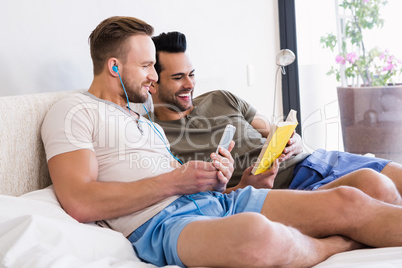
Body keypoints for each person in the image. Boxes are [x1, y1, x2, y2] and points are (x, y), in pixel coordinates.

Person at [41, 16, 402, 268]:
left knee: (350, 199)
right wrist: (176, 180)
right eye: (148, 67)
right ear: (115, 67)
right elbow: (79, 202)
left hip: (218, 202)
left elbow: (183, 186)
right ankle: (343, 243)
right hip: (166, 225)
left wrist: (230, 183)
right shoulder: (74, 110)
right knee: (258, 237)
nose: (153, 78)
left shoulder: (139, 119)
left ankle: (348, 231)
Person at [149, 31, 402, 205]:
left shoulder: (220, 98)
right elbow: (193, 197)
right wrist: (242, 187)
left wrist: (296, 141)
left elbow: (274, 130)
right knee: (377, 188)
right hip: (286, 187)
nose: (189, 84)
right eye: (178, 77)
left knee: (397, 176)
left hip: (315, 160)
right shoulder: (154, 136)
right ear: (153, 83)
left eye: (192, 74)